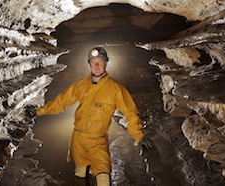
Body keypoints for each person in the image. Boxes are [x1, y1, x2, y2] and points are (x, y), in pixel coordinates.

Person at [28, 46, 153, 186]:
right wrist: (38, 111)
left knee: (103, 173)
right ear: (89, 64)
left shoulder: (116, 89)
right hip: (78, 138)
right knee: (80, 174)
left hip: (98, 140)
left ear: (106, 63)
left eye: (100, 61)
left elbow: (130, 113)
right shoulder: (81, 85)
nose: (97, 65)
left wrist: (139, 136)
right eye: (93, 62)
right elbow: (61, 102)